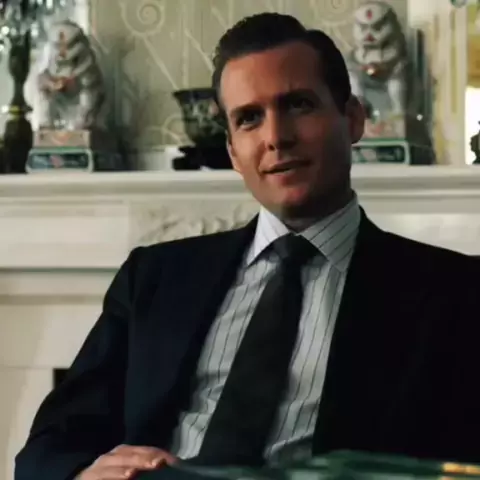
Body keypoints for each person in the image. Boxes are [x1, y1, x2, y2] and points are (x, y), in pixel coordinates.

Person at [15, 12, 480, 480]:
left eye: (299, 104)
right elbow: (49, 447)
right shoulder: (155, 278)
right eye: (249, 119)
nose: (276, 138)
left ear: (353, 119)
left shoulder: (456, 292)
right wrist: (84, 474)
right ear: (234, 152)